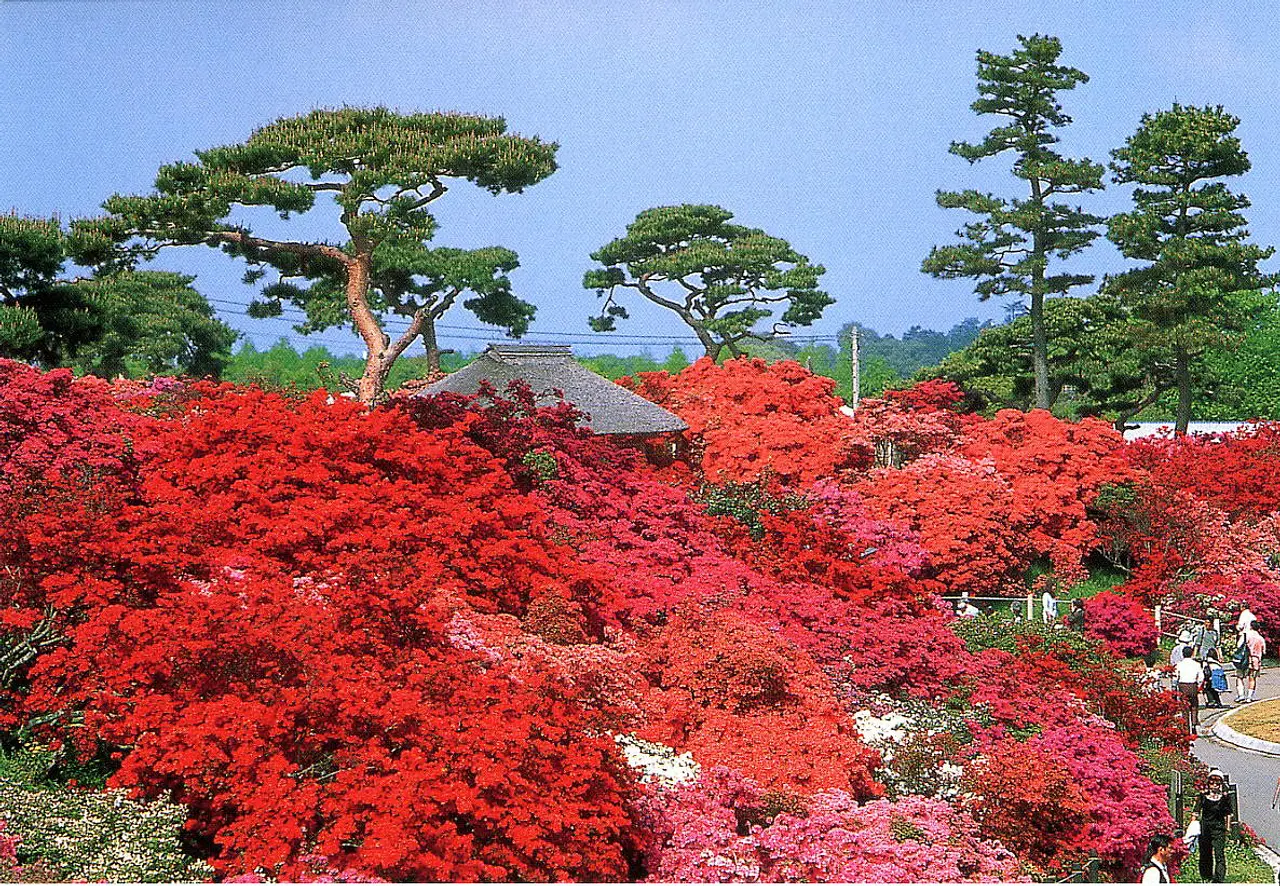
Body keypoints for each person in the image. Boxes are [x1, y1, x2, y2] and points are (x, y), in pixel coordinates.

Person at [1193, 769, 1235, 883]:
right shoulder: (1203, 795)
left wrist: (1227, 828)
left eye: (1217, 783)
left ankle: (1219, 879)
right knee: (1205, 852)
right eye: (1212, 782)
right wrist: (1193, 825)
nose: (1214, 785)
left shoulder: (1224, 798)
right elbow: (1196, 811)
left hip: (1218, 828)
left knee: (1219, 853)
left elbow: (1228, 814)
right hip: (1205, 827)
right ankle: (1206, 875)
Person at [1175, 646, 1204, 734]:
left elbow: (1175, 676)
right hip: (1193, 685)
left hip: (1183, 685)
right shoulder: (1196, 664)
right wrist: (1198, 684)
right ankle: (1194, 724)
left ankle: (1186, 728)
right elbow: (1201, 677)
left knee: (1184, 707)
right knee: (1194, 705)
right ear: (1192, 654)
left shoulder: (1179, 664)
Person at [1243, 620, 1267, 703]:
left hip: (1247, 659)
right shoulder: (1260, 638)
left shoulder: (1248, 636)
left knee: (1241, 677)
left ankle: (1241, 695)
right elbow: (1264, 651)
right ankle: (1249, 696)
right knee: (1252, 678)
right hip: (1256, 659)